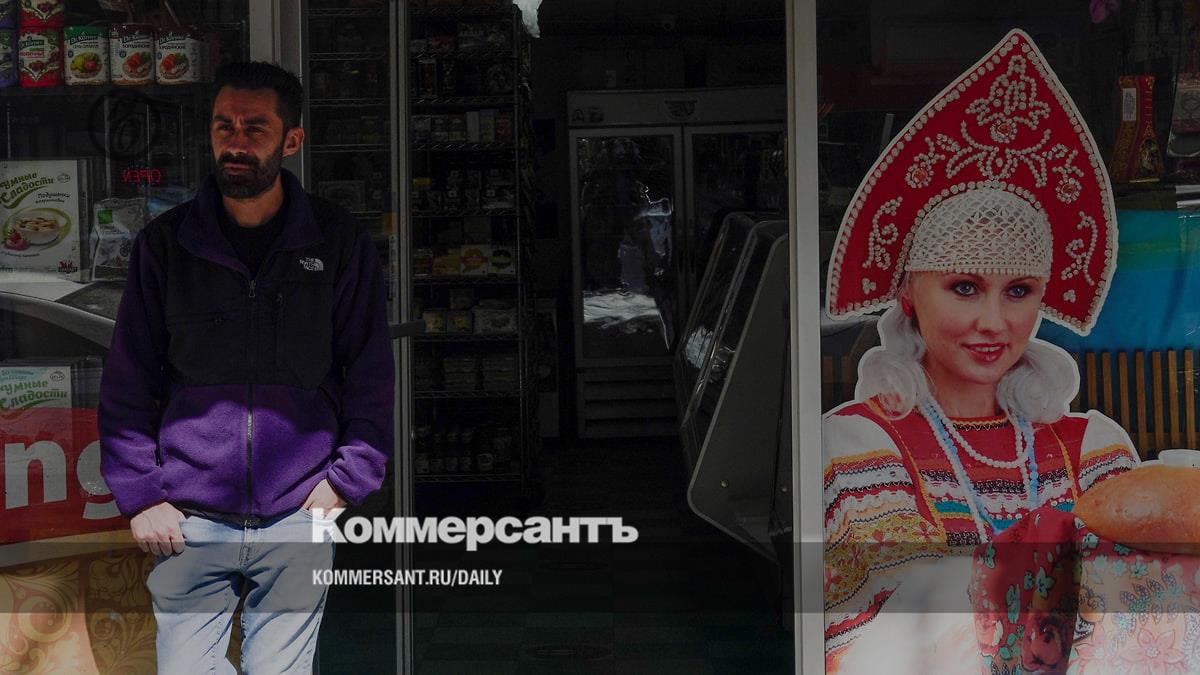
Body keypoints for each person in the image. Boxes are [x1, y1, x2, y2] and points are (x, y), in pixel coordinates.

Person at [819, 30, 1139, 672]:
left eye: (1018, 291)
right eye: (964, 287)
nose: (993, 322)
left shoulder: (1091, 448)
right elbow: (866, 650)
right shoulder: (860, 446)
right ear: (908, 293)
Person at [98, 61, 394, 674]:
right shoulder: (167, 244)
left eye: (255, 128)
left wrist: (347, 480)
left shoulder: (336, 242)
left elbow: (369, 370)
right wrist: (141, 494)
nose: (235, 142)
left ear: (292, 140)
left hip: (298, 512)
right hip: (189, 517)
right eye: (223, 126)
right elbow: (129, 377)